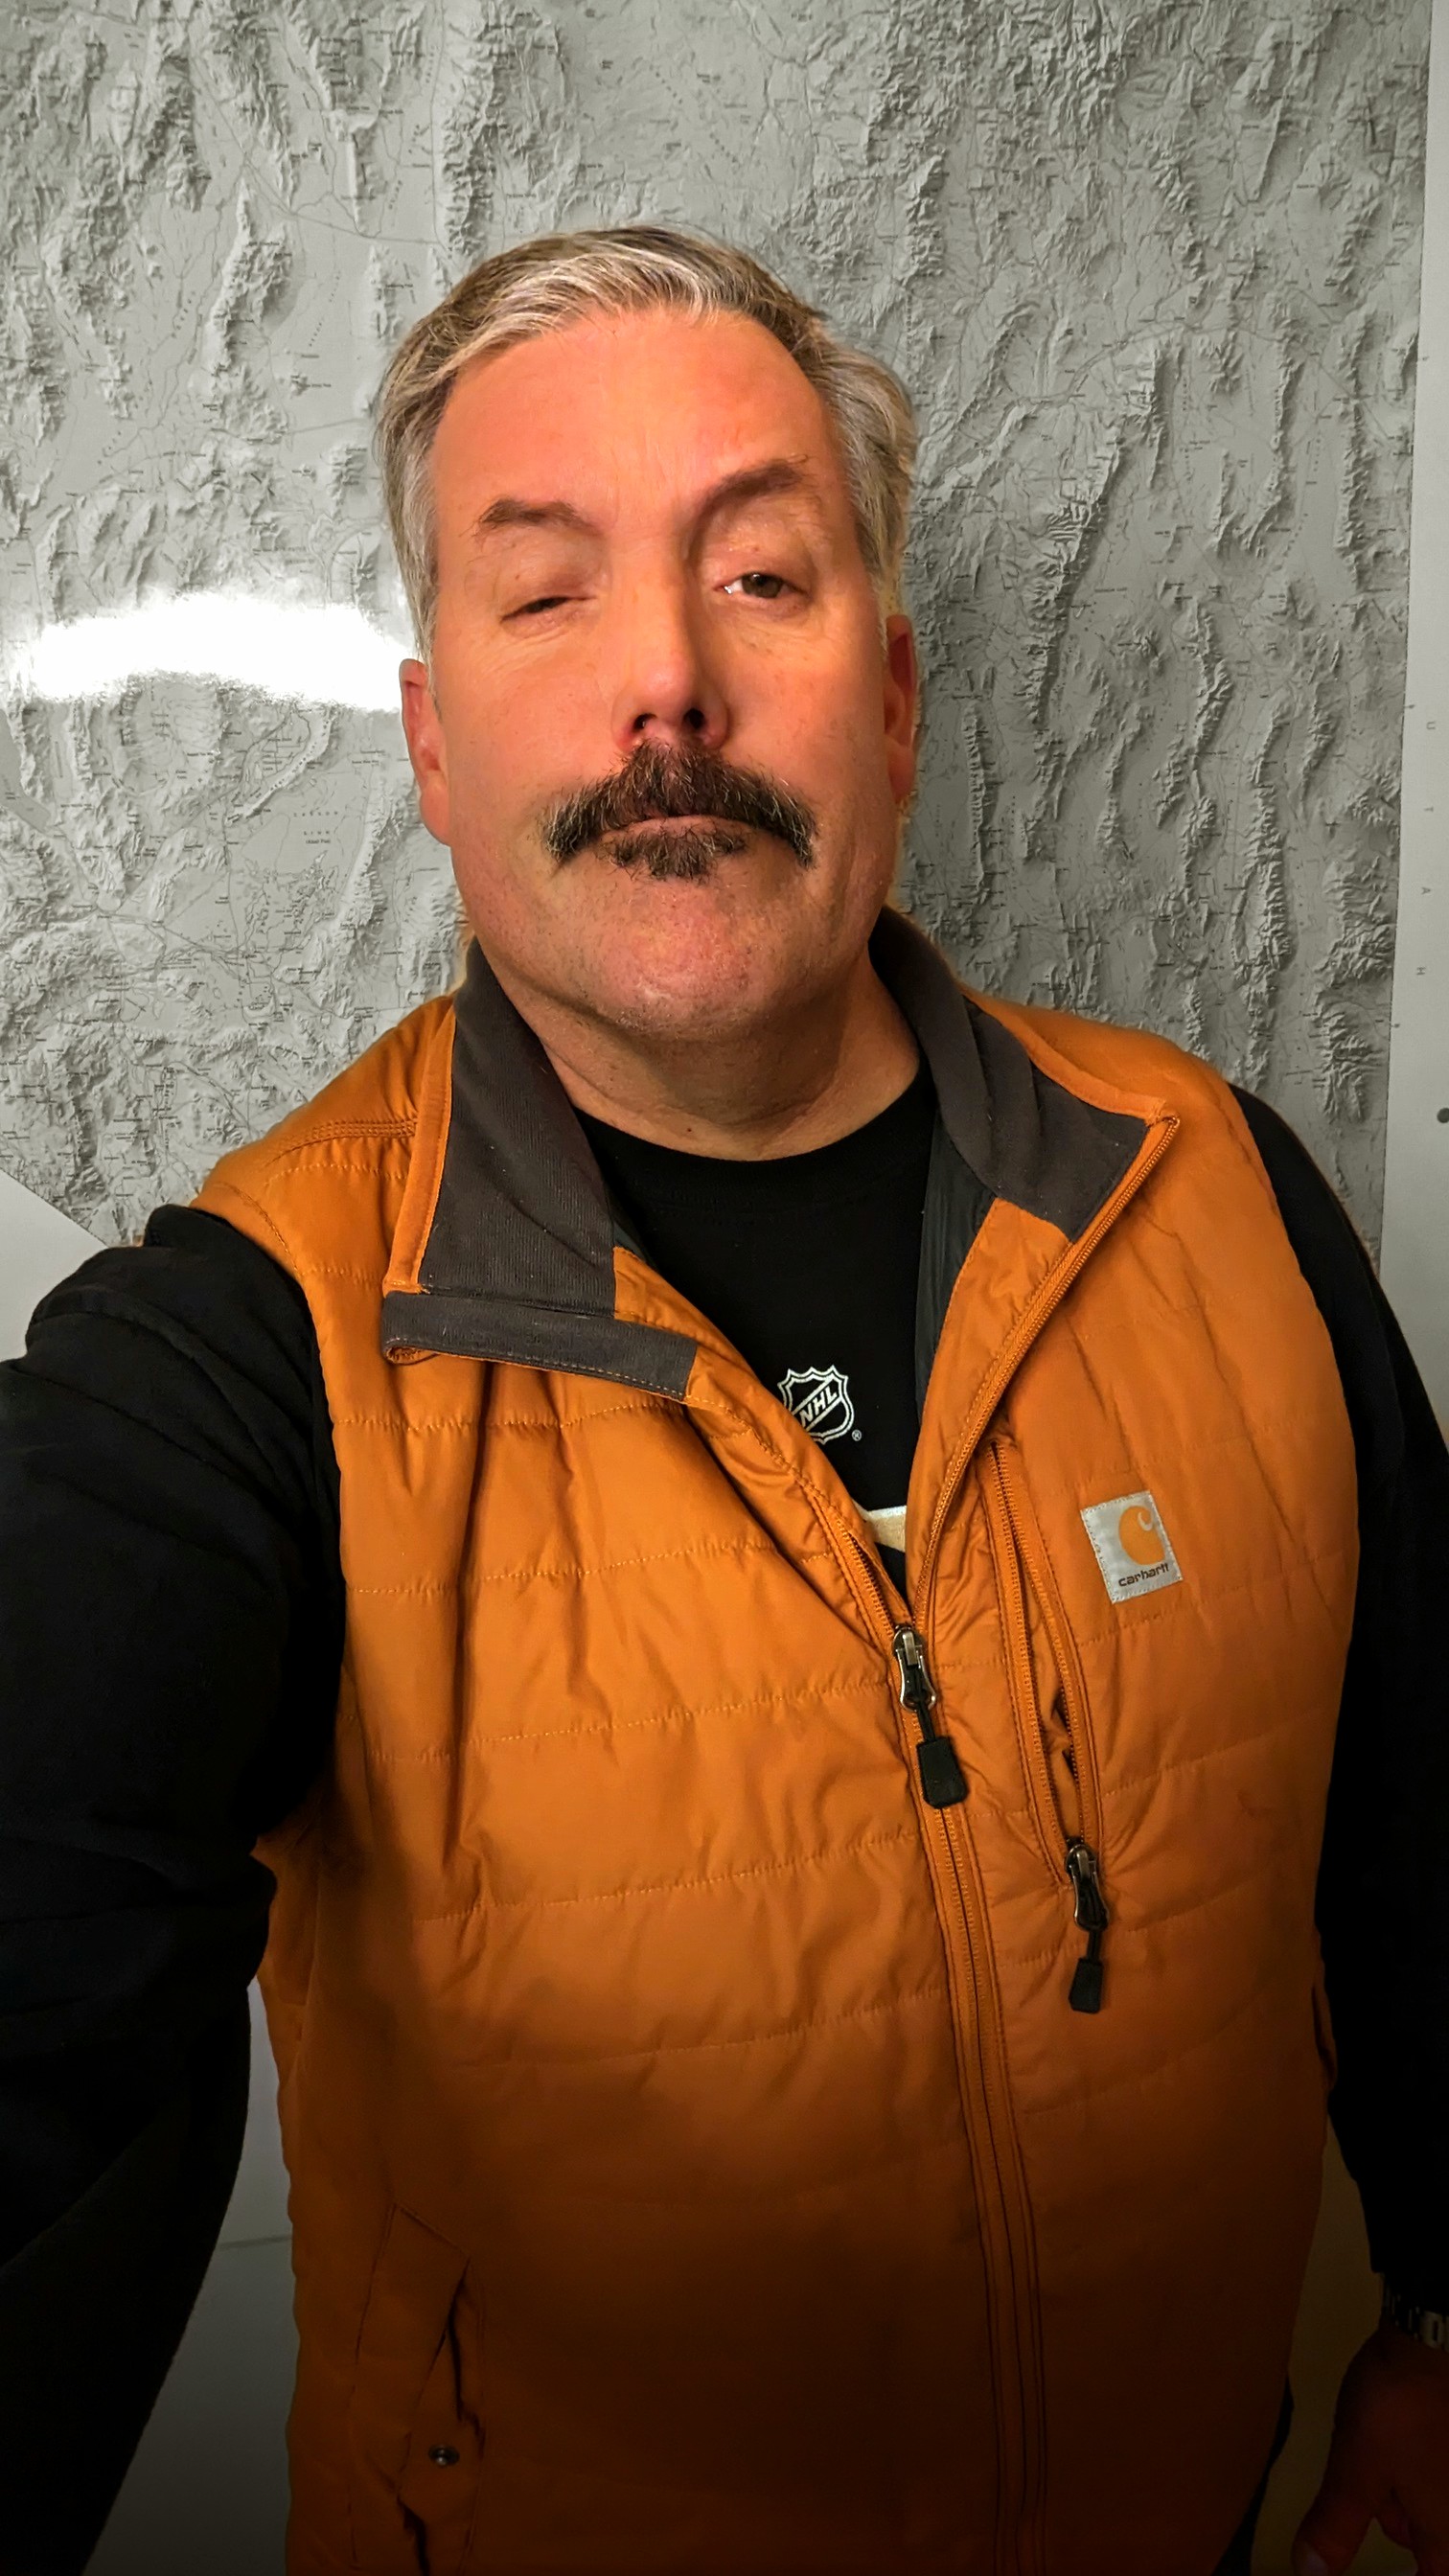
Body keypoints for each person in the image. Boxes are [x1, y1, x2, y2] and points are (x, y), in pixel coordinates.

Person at [2, 224, 1446, 2576]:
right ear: (437, 746)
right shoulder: (250, 1361)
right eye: (547, 593)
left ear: (892, 699)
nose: (668, 680)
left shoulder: (1218, 1194)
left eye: (763, 576)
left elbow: (1426, 1828)